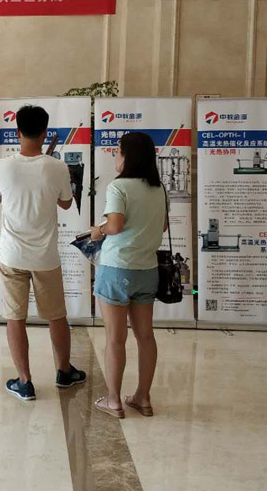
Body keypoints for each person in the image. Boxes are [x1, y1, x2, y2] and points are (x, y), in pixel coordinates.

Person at [0, 105, 86, 401]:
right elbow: (66, 203)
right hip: (45, 257)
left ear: (17, 132)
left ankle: (25, 381)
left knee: (15, 318)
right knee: (56, 316)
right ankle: (64, 372)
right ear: (45, 133)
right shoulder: (57, 167)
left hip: (11, 256)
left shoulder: (2, 166)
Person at [90, 132, 167, 418]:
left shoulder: (118, 187)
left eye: (118, 151)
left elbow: (115, 225)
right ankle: (142, 398)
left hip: (117, 268)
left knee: (115, 338)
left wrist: (98, 230)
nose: (115, 155)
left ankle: (113, 401)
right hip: (147, 269)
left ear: (128, 156)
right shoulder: (158, 188)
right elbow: (163, 226)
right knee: (145, 336)